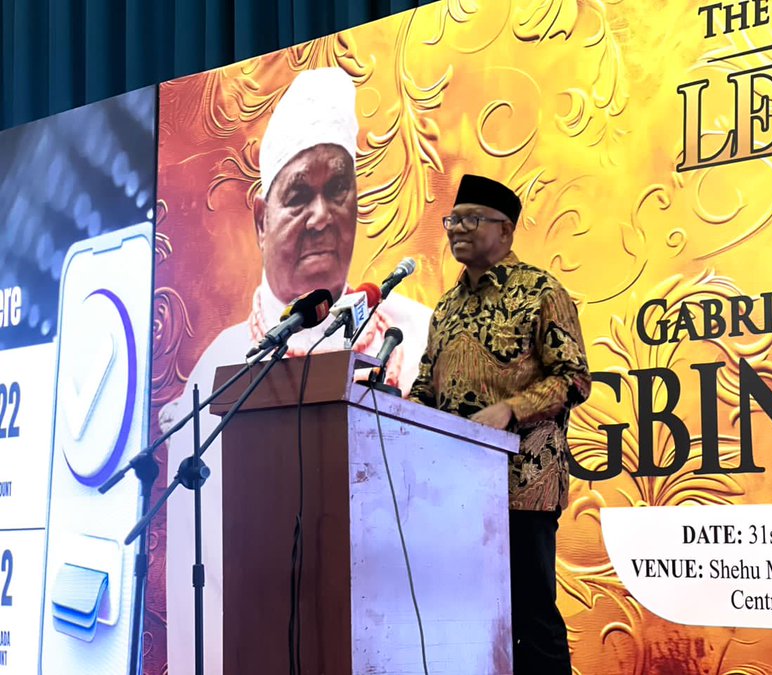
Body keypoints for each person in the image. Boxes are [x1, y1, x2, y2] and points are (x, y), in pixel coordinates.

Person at [159, 67, 430, 674]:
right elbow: (200, 577)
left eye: (339, 190)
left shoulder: (416, 338)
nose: (322, 216)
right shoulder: (219, 371)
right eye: (299, 195)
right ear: (261, 219)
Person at [407, 174, 591, 675]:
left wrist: (512, 409)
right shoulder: (446, 307)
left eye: (472, 220)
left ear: (505, 230)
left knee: (531, 618)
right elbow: (425, 387)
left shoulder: (541, 292)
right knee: (468, 619)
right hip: (454, 489)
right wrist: (393, 412)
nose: (457, 230)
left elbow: (574, 378)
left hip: (522, 484)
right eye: (453, 220)